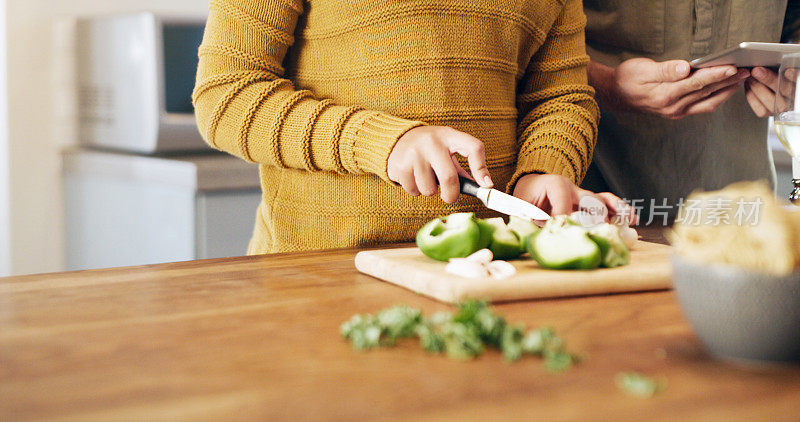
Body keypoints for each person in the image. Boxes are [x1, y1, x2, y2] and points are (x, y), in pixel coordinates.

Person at [193, 0, 624, 254]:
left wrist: (541, 171)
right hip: (316, 274)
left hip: (495, 271)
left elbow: (561, 97)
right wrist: (382, 141)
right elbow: (227, 94)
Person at [582, 0, 800, 221]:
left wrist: (794, 76)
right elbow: (549, 39)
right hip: (602, 210)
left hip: (746, 212)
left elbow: (794, 20)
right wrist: (605, 86)